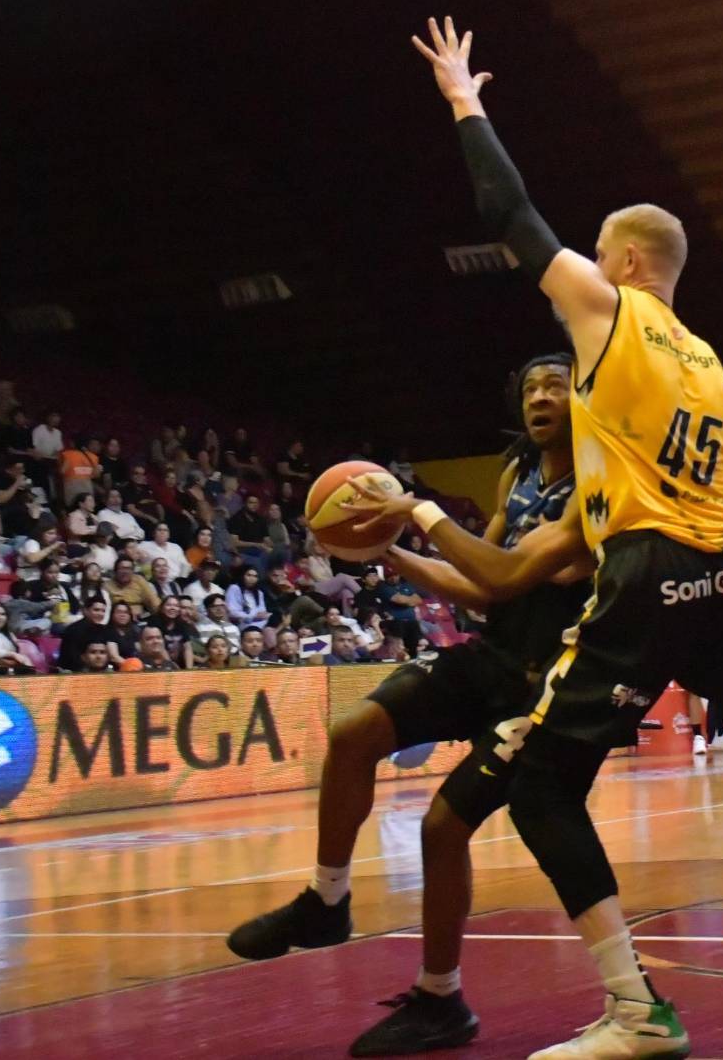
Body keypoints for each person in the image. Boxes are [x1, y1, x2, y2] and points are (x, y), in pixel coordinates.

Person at [334, 16, 723, 1058]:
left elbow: (508, 213)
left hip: (653, 573)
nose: (581, 271)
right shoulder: (707, 358)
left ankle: (637, 1011)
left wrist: (463, 97)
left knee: (541, 786)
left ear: (625, 261)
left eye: (597, 256)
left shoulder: (611, 313)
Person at [228, 353, 593, 1060]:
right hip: (493, 655)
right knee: (353, 732)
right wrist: (388, 551)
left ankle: (440, 998)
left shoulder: (601, 483)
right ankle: (326, 899)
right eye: (531, 388)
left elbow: (506, 576)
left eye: (557, 385)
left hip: (548, 681)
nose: (540, 397)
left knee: (441, 828)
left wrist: (420, 513)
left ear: (586, 398)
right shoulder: (518, 474)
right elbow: (479, 590)